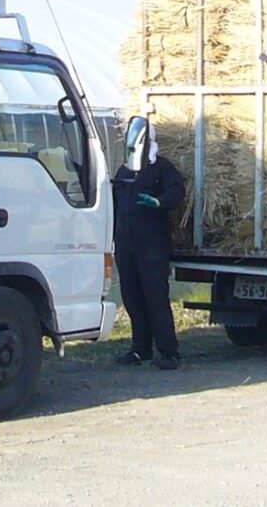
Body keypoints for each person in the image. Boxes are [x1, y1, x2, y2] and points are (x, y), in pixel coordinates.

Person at [111, 119, 187, 369]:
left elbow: (177, 193)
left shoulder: (161, 168)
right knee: (132, 297)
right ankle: (139, 349)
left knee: (155, 297)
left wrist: (158, 202)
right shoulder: (124, 172)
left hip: (152, 244)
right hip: (125, 243)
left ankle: (168, 352)